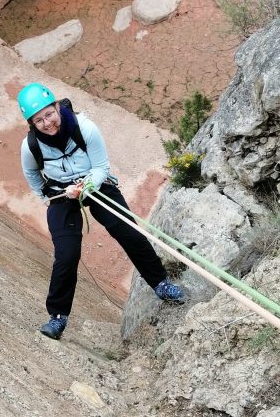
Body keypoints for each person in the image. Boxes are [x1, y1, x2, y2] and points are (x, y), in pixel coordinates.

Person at [18, 82, 185, 340]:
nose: (47, 123)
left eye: (49, 114)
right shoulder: (31, 146)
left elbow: (100, 167)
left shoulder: (85, 128)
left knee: (128, 232)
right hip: (62, 193)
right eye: (38, 120)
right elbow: (31, 172)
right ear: (32, 123)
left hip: (95, 183)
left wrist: (86, 187)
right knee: (67, 254)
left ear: (56, 107)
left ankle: (161, 284)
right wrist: (46, 195)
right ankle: (57, 317)